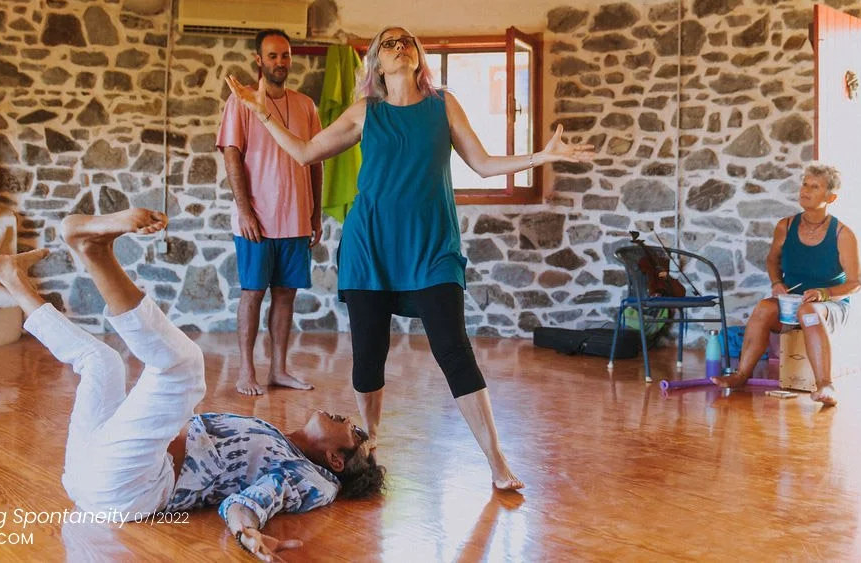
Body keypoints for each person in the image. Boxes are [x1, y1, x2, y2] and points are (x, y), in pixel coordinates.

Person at [226, 26, 595, 490]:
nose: (400, 47)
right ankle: (372, 437)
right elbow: (304, 152)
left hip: (432, 248)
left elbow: (483, 164)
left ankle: (497, 462)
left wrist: (540, 157)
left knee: (454, 350)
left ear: (418, 56)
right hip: (370, 247)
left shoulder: (443, 105)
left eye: (407, 42)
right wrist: (261, 113)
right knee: (368, 358)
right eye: (389, 43)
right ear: (377, 63)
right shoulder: (366, 111)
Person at [0, 209, 384, 561]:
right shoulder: (282, 440)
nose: (348, 419)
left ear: (336, 460)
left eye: (354, 432)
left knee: (184, 367)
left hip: (128, 486)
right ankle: (11, 276)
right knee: (101, 363)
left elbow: (251, 502)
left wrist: (247, 533)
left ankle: (94, 250)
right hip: (92, 476)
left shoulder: (313, 479)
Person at [217, 28, 323, 396]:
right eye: (273, 55)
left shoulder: (306, 105)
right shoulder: (241, 102)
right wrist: (244, 212)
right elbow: (232, 156)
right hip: (257, 221)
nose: (281, 61)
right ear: (259, 60)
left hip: (296, 218)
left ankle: (278, 369)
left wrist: (315, 213)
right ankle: (246, 371)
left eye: (285, 55)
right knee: (253, 293)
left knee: (285, 294)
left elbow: (316, 160)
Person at [712, 164, 860, 406]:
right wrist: (777, 282)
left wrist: (824, 293)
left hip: (830, 305)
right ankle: (740, 375)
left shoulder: (842, 234)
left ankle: (825, 385)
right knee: (764, 307)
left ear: (830, 197)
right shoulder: (786, 226)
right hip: (791, 303)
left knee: (808, 311)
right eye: (805, 184)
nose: (805, 191)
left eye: (815, 187)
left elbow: (855, 284)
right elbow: (772, 260)